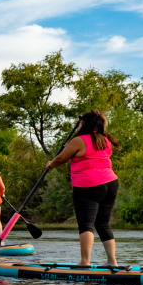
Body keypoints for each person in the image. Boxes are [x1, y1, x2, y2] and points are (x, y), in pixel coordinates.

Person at [45, 110, 120, 268]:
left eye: (79, 123)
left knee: (86, 224)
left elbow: (61, 159)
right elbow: (89, 153)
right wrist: (69, 148)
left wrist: (51, 164)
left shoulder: (79, 140)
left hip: (88, 185)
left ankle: (85, 261)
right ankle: (112, 261)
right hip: (111, 183)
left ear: (85, 124)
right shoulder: (105, 140)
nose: (77, 125)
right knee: (103, 223)